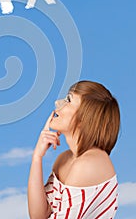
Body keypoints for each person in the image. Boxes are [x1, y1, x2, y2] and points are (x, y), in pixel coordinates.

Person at [28, 80, 120, 219]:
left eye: (68, 100)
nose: (58, 103)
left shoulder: (88, 164)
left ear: (85, 118)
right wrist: (37, 158)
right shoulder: (65, 159)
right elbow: (39, 215)